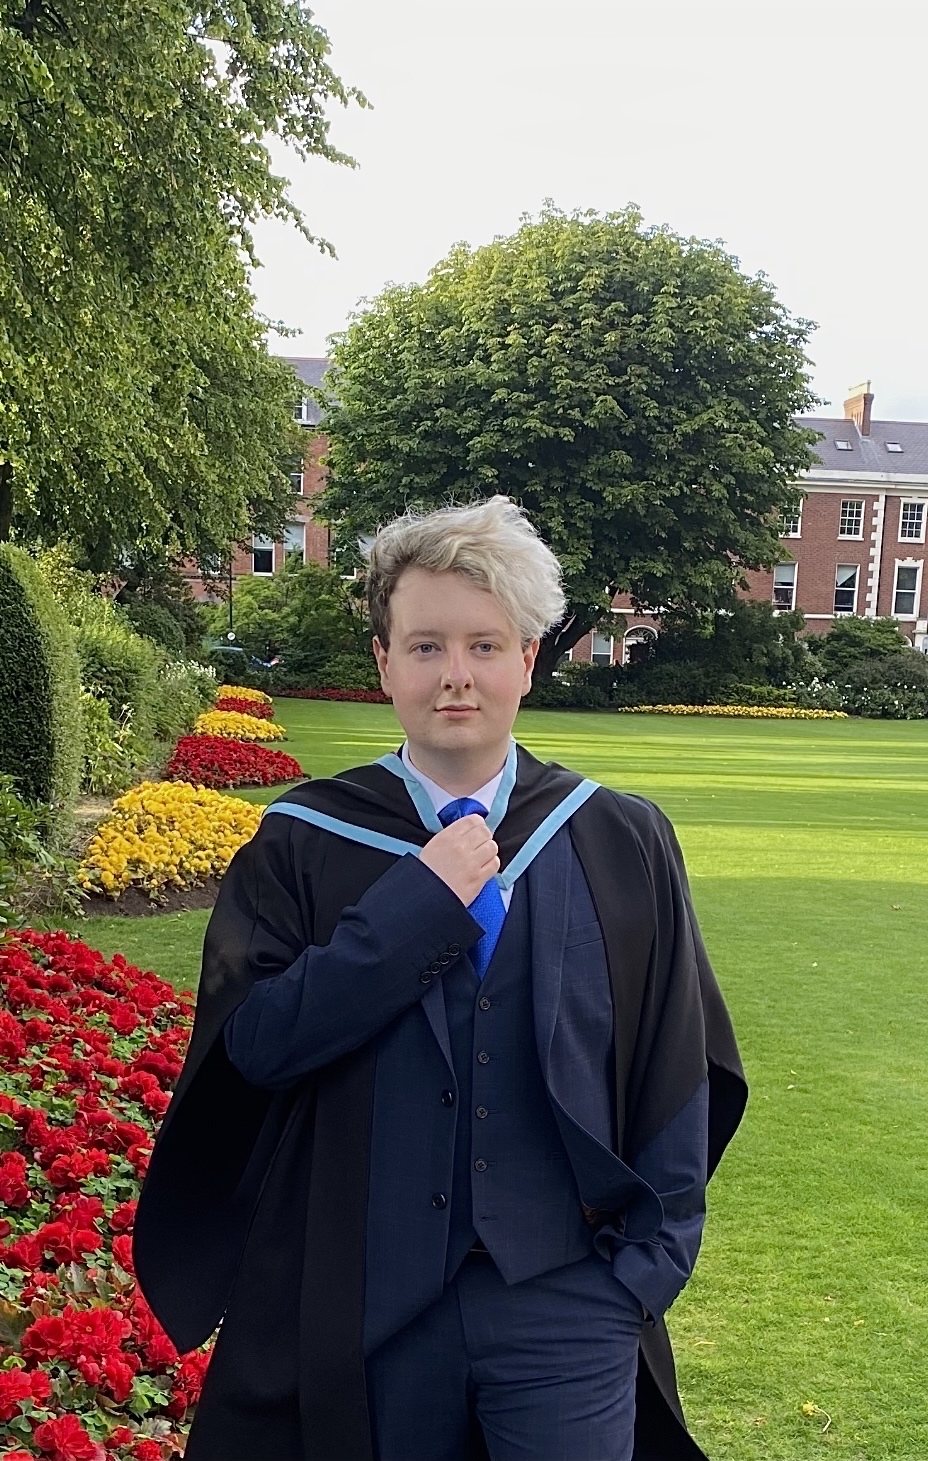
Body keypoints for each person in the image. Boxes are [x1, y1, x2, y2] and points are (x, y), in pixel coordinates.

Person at [134, 496, 747, 1461]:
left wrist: (644, 1269)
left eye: (484, 645)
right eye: (426, 646)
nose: (456, 674)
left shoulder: (618, 838)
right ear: (385, 663)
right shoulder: (304, 841)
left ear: (528, 659)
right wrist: (417, 906)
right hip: (368, 1304)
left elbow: (679, 1064)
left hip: (567, 1304)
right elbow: (255, 1046)